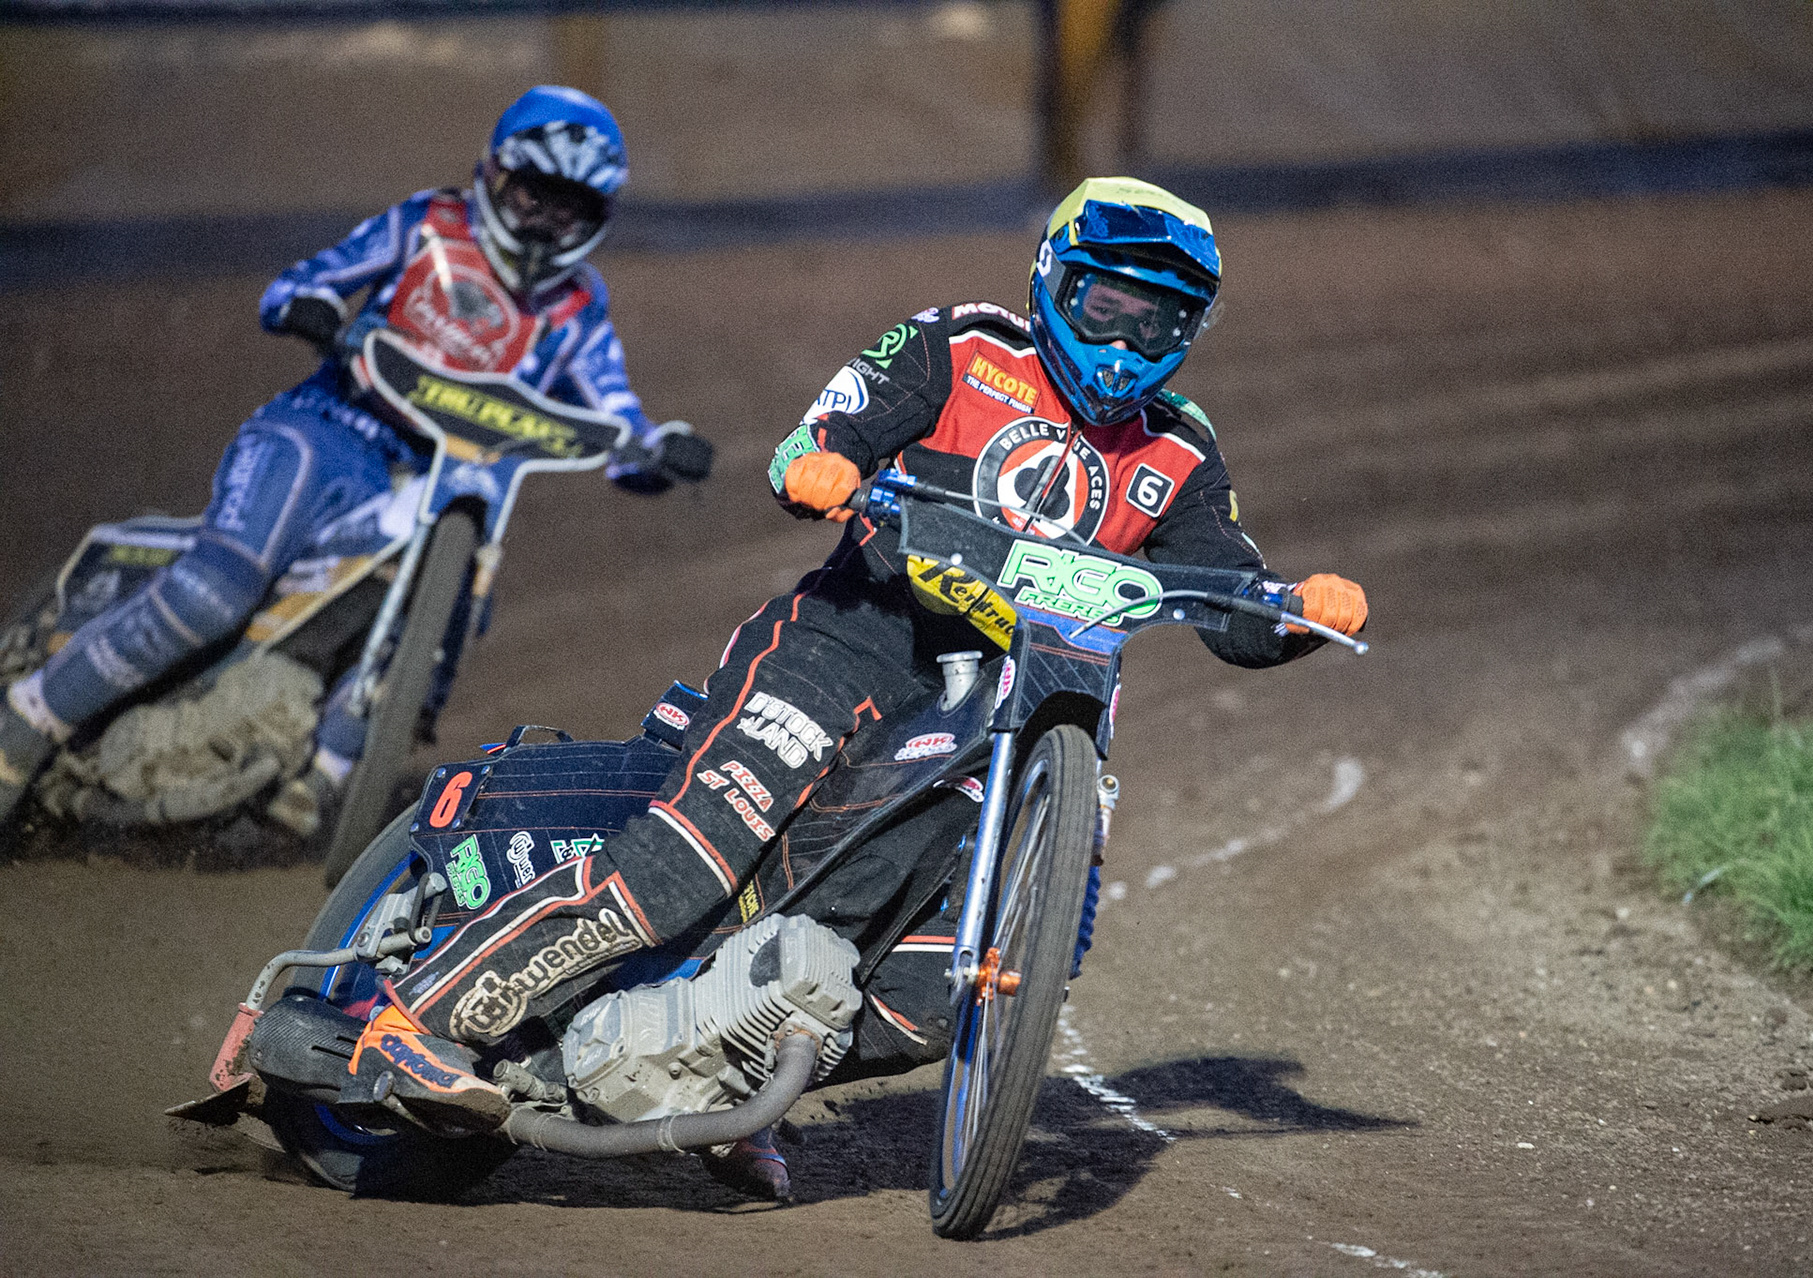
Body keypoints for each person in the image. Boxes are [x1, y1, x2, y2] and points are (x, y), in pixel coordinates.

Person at [334, 177, 1370, 1195]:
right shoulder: (961, 347)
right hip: (849, 642)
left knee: (923, 998)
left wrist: (1300, 613)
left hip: (1009, 712)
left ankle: (710, 1082)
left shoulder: (1179, 453)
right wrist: (818, 463)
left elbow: (1232, 596)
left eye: (1161, 325)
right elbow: (826, 430)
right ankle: (412, 1018)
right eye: (1109, 309)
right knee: (682, 871)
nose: (1126, 345)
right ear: (1057, 279)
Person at [0, 86, 697, 830]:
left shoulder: (580, 307)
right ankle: (27, 719)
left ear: (599, 218)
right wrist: (311, 308)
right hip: (326, 428)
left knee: (451, 623)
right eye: (537, 195)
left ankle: (320, 774)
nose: (548, 222)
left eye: (572, 207)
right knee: (218, 590)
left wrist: (655, 452)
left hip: (441, 480)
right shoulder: (427, 225)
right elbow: (297, 284)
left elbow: (616, 418)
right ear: (495, 175)